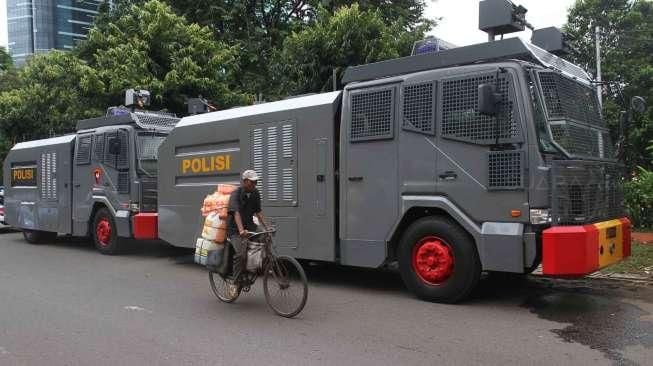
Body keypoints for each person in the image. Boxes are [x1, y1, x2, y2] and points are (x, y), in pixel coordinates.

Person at [227, 170, 268, 279]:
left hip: (250, 226)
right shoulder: (235, 194)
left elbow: (258, 212)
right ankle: (235, 283)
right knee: (241, 255)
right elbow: (236, 213)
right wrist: (241, 230)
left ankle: (257, 265)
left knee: (265, 235)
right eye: (252, 182)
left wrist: (266, 227)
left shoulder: (255, 193)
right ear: (244, 181)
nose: (255, 184)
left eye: (256, 182)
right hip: (235, 230)